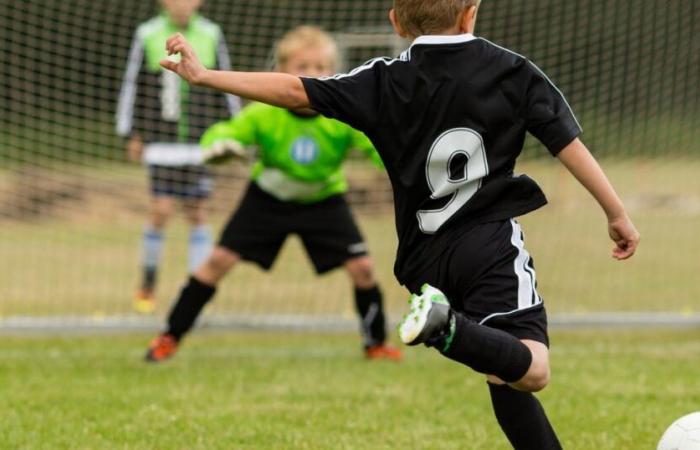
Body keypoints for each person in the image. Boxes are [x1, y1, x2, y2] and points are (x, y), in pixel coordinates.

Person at [157, 0, 641, 447]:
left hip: (422, 256)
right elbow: (567, 145)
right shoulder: (512, 71)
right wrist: (615, 212)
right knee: (532, 368)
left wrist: (205, 76)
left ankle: (444, 323)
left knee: (503, 370)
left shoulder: (383, 78)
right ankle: (445, 326)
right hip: (488, 243)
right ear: (471, 13)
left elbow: (291, 90)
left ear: (396, 22)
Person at [144, 26, 402, 363]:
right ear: (282, 71)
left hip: (323, 200)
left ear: (333, 71)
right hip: (267, 199)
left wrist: (401, 164)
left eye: (321, 67)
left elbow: (379, 148)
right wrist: (218, 146)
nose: (313, 74)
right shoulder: (264, 111)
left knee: (363, 268)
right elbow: (222, 134)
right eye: (303, 66)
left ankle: (376, 344)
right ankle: (169, 338)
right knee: (216, 263)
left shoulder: (342, 115)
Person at [116, 0, 240, 313]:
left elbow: (225, 81)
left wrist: (232, 130)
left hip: (199, 144)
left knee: (197, 212)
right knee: (161, 210)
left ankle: (196, 290)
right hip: (161, 143)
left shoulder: (211, 33)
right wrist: (132, 132)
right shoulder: (148, 32)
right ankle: (147, 283)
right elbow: (134, 83)